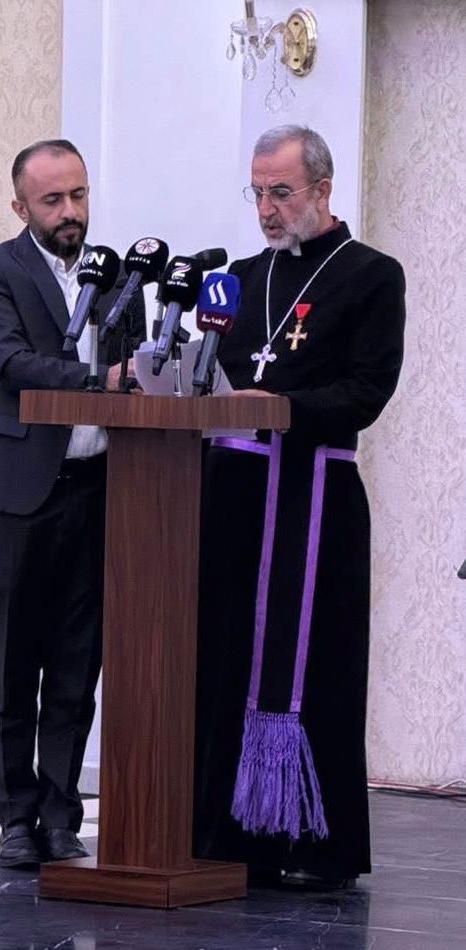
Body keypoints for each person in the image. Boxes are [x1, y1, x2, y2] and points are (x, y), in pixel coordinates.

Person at [193, 125, 405, 889]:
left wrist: (277, 406)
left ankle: (317, 845)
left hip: (315, 500)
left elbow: (366, 391)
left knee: (319, 673)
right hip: (233, 500)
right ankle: (225, 837)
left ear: (322, 188)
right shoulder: (237, 279)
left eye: (280, 192)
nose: (266, 209)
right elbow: (210, 375)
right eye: (257, 193)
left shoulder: (370, 275)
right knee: (221, 664)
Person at [0, 139, 145, 868]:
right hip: (16, 491)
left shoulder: (120, 275)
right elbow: (10, 364)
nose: (70, 212)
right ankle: (14, 819)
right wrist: (101, 378)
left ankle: (62, 816)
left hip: (100, 489)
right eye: (53, 200)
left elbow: (138, 368)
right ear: (21, 207)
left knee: (76, 662)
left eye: (79, 195)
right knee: (15, 660)